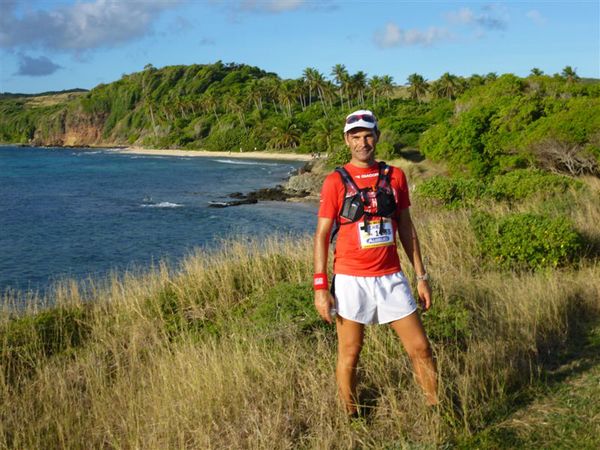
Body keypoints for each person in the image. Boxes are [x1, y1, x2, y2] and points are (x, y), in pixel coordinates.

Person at [313, 109, 438, 416]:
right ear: (346, 140)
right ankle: (351, 416)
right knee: (350, 352)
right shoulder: (334, 181)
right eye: (355, 137)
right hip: (350, 278)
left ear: (377, 137)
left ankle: (437, 409)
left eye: (368, 135)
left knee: (420, 347)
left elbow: (407, 228)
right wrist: (320, 287)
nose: (362, 143)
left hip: (390, 277)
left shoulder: (395, 176)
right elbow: (321, 235)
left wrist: (421, 277)